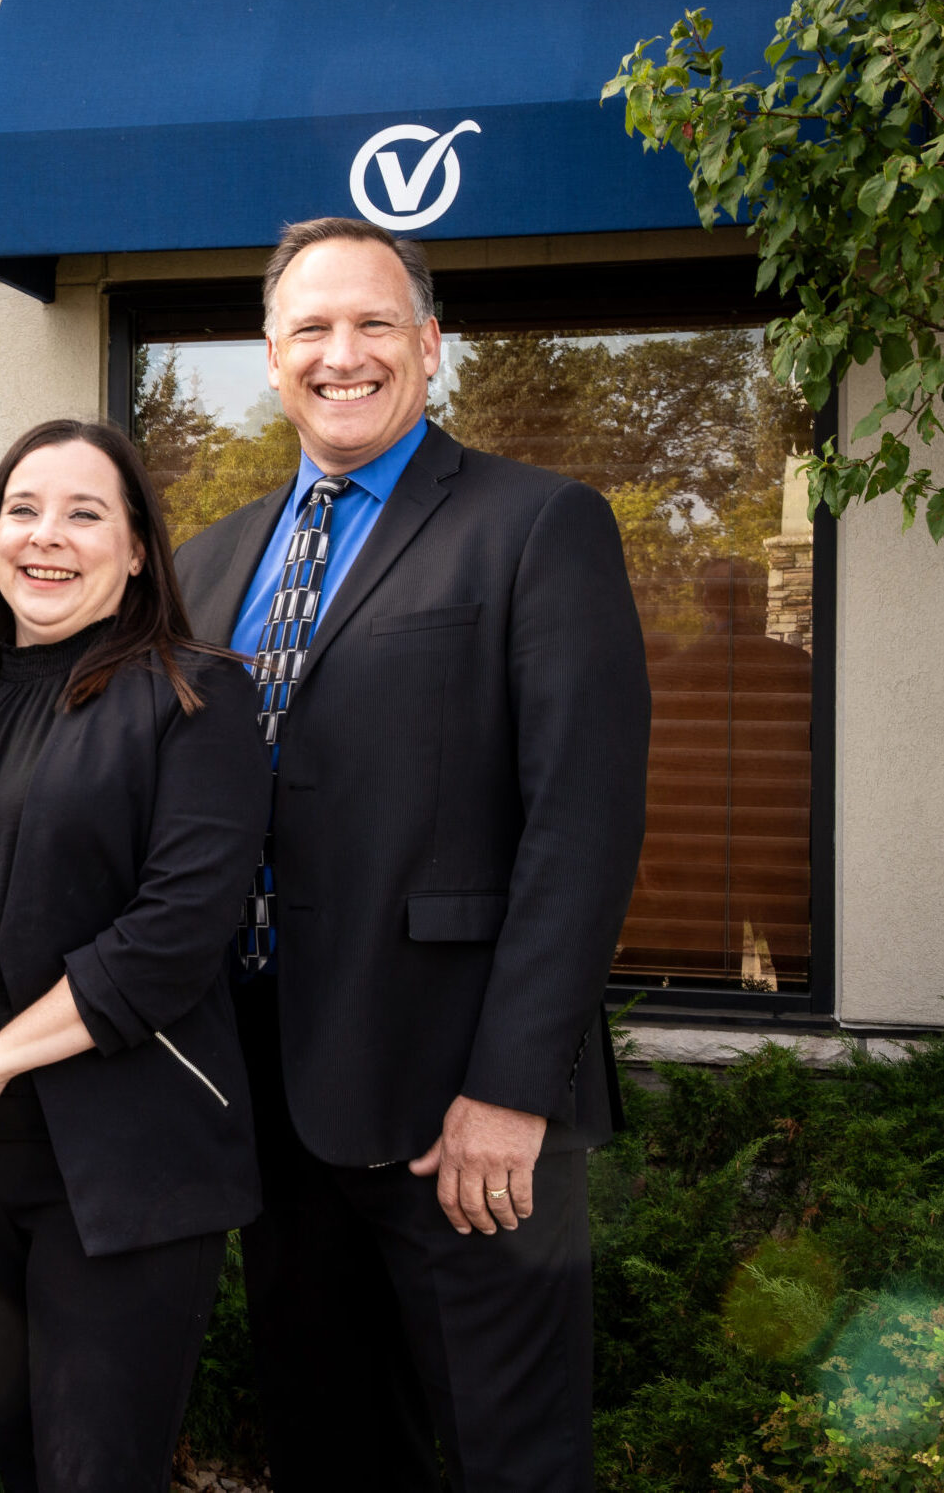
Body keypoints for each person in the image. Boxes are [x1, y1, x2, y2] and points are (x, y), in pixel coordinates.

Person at [173, 217, 651, 1492]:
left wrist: (512, 1090)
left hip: (458, 1112)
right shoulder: (208, 563)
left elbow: (579, 826)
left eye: (374, 324)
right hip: (264, 1105)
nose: (344, 354)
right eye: (310, 331)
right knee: (327, 1451)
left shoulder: (537, 526)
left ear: (429, 347)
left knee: (510, 1460)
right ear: (268, 361)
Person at [0, 418, 268, 1493]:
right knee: (19, 1462)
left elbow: (171, 937)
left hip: (121, 1164)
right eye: (22, 510)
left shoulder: (195, 696)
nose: (46, 536)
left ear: (134, 552)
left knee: (92, 1473)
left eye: (85, 514)